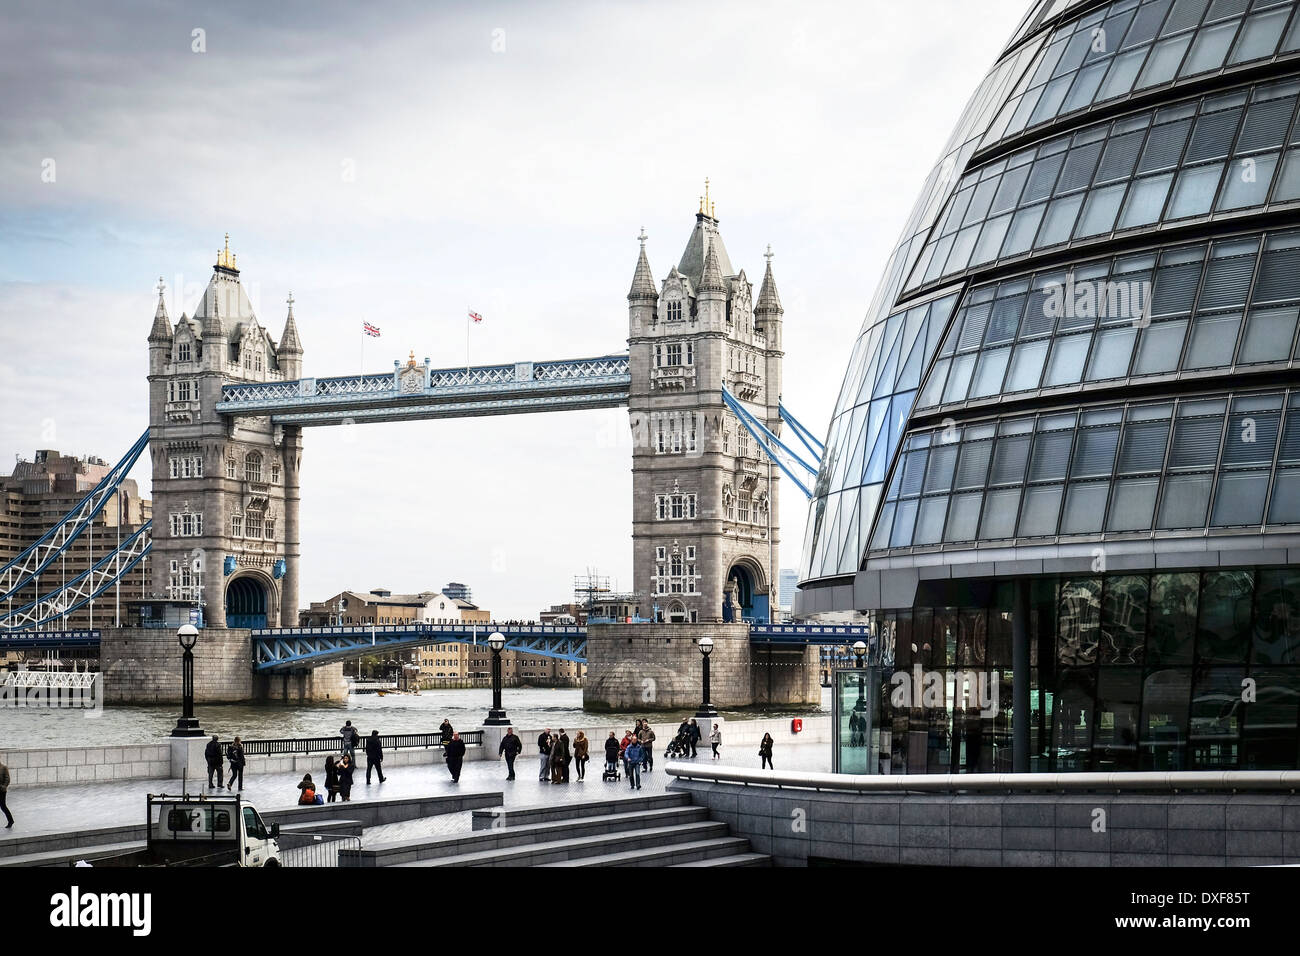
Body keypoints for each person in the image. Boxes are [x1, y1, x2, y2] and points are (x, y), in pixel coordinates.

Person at [0, 757, 12, 828]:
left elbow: (7, 779)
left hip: (1, 791)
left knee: (3, 806)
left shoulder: (4, 768)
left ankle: (10, 821)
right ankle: (11, 821)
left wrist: (3, 787)